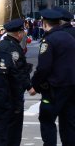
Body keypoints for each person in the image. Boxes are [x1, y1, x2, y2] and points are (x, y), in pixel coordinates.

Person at [31, 8, 75, 146]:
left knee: (47, 121)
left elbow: (43, 68)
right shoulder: (69, 37)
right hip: (71, 88)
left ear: (44, 23)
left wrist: (35, 85)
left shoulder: (48, 40)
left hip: (54, 90)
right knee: (68, 124)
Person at [0, 18, 33, 146]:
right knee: (14, 132)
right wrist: (28, 86)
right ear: (19, 33)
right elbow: (19, 73)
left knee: (2, 131)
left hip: (1, 95)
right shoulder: (14, 49)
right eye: (23, 31)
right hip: (13, 95)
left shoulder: (0, 45)